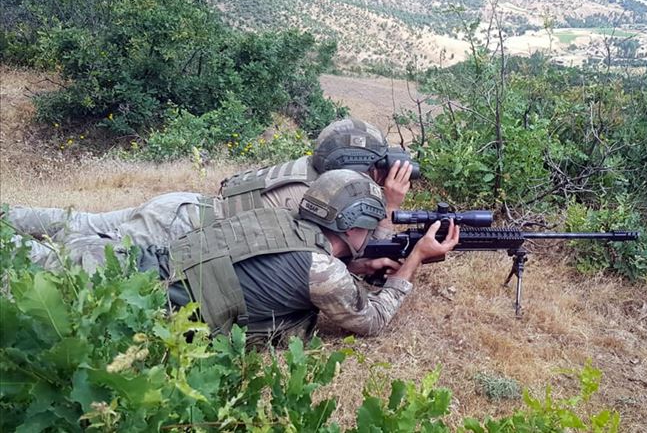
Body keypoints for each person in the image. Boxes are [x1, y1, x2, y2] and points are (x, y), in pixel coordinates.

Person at [6, 117, 414, 270]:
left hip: (182, 206)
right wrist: (388, 208)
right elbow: (342, 250)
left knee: (81, 223)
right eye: (374, 165)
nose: (380, 171)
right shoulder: (322, 197)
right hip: (182, 229)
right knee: (72, 257)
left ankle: (8, 214)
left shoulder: (308, 169)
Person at [158, 169, 459, 344]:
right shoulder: (323, 271)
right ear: (353, 227)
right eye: (369, 226)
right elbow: (372, 322)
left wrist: (356, 265)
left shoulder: (275, 217)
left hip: (154, 271)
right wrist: (415, 258)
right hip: (163, 317)